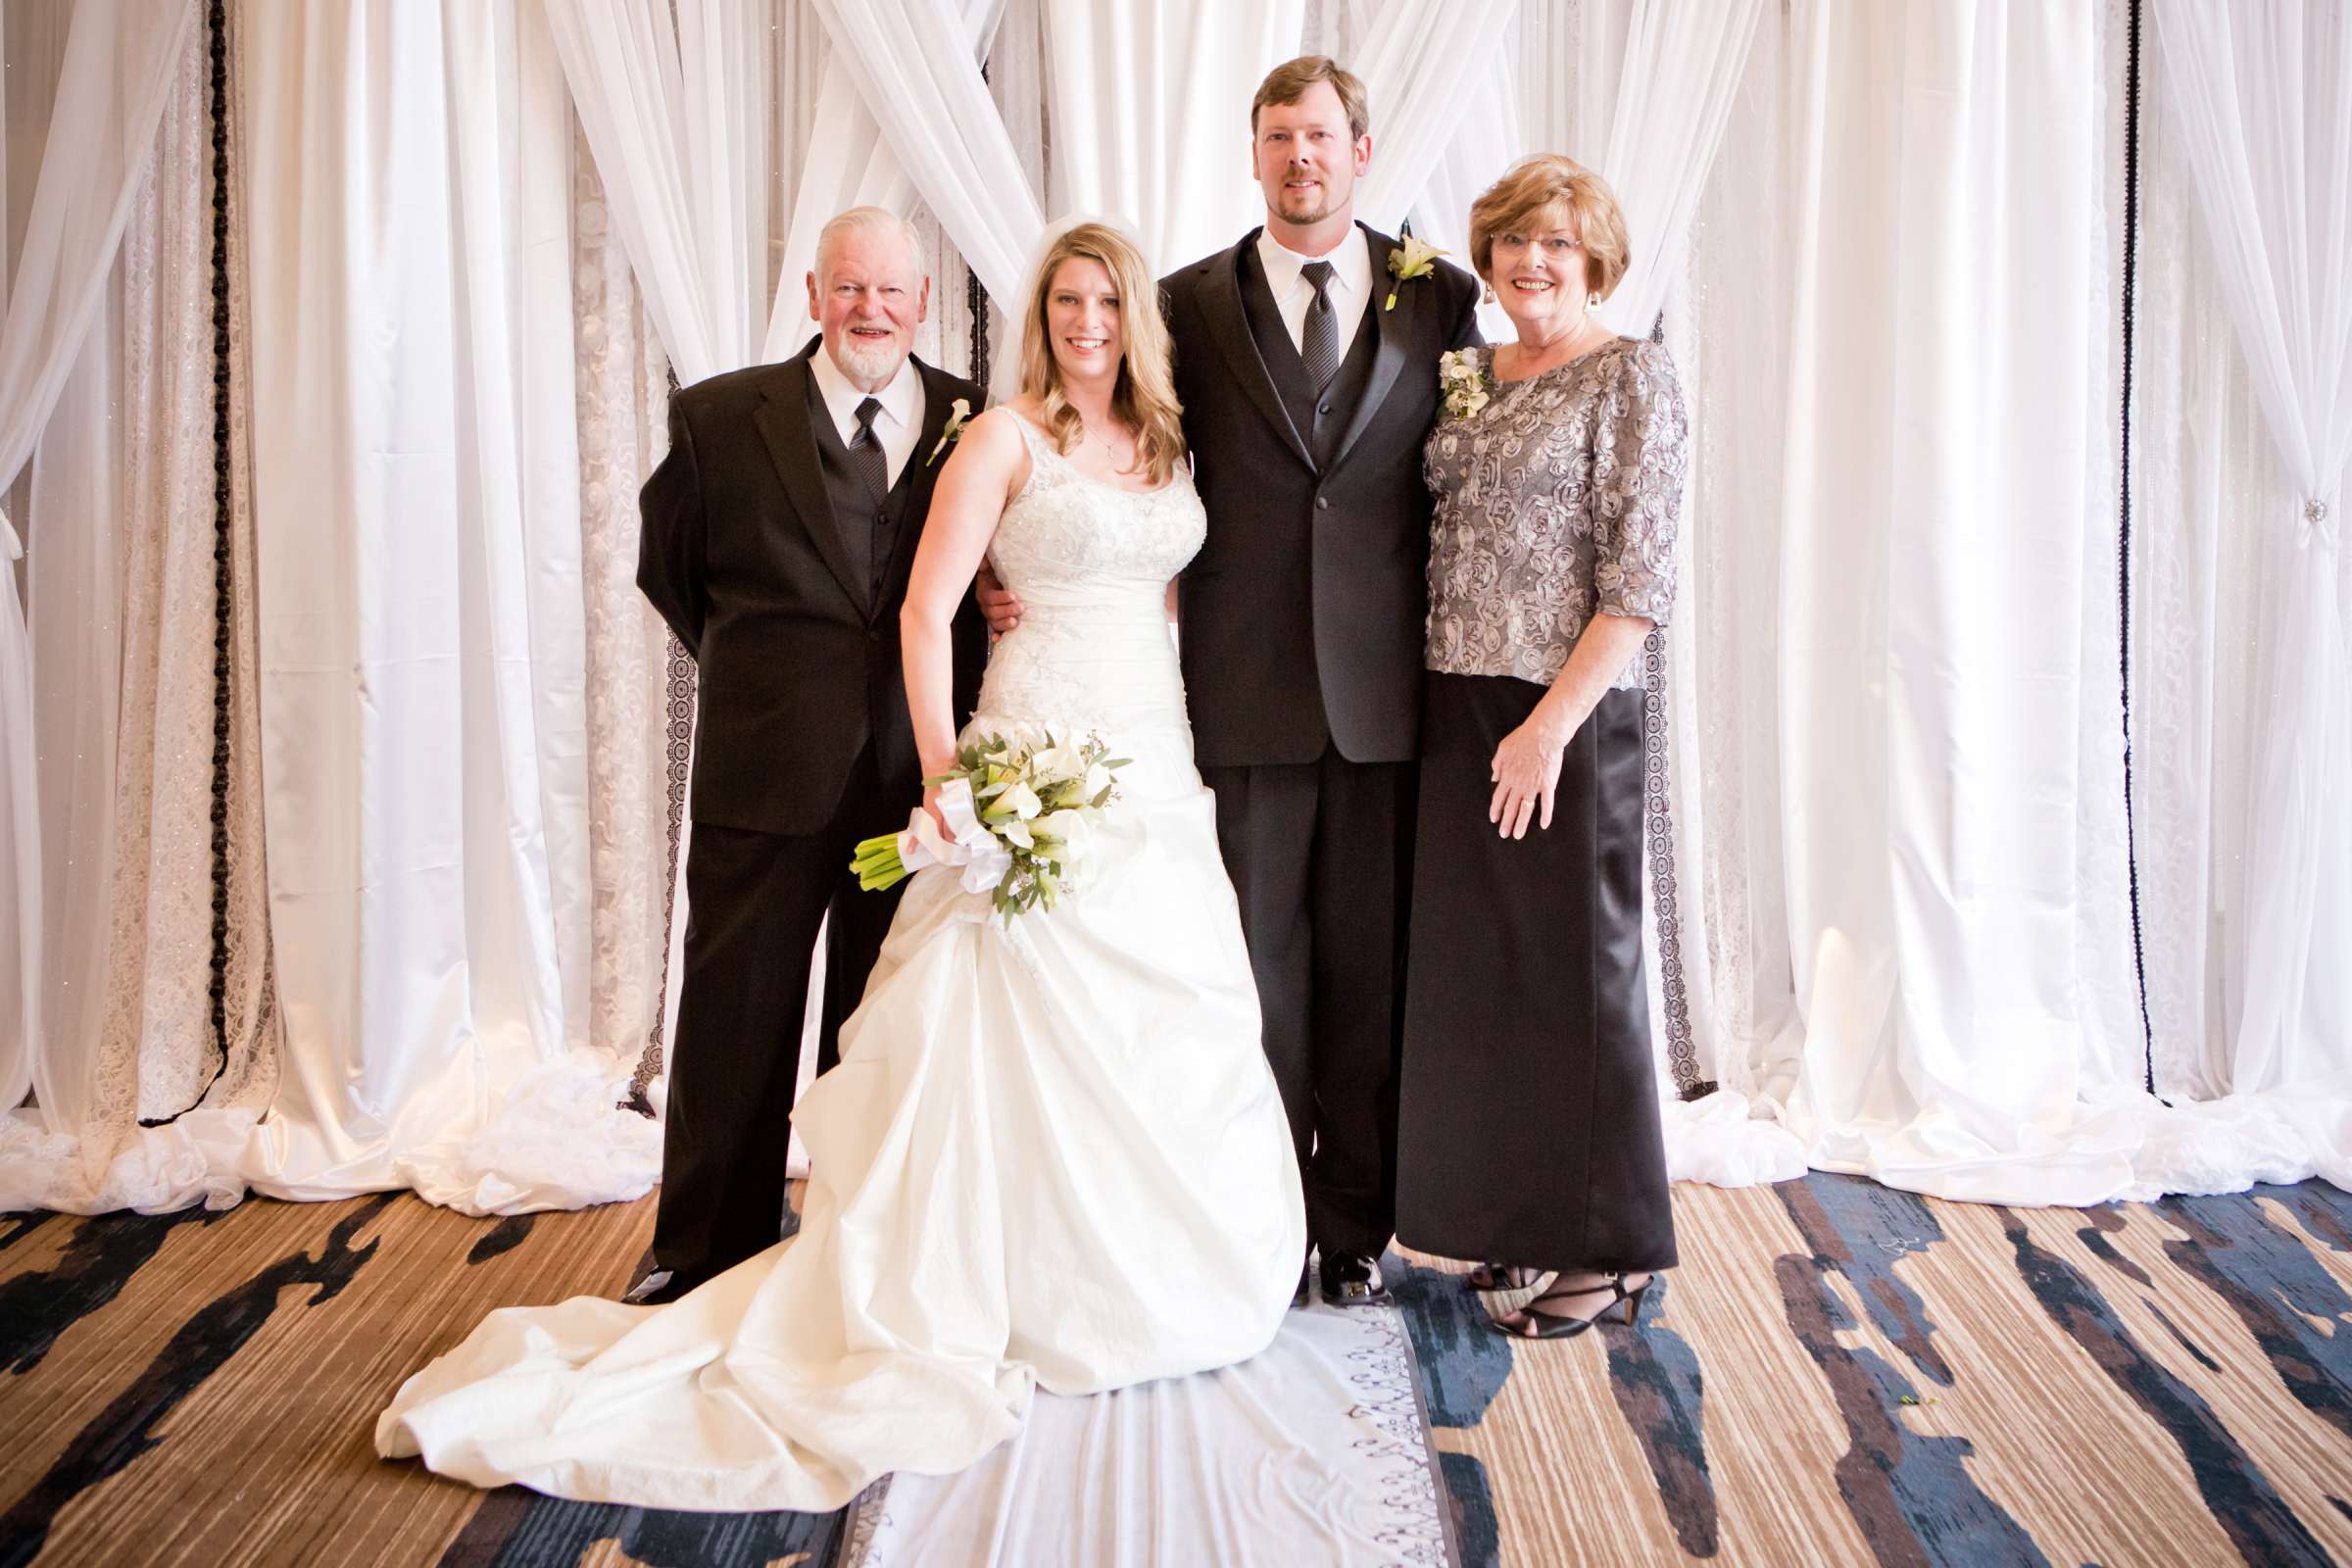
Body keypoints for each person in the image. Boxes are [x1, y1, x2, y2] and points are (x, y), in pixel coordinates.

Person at [375, 220, 1305, 1511]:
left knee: (1098, 1029)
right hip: (918, 748)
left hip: (1143, 762)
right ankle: (740, 1256)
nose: (1086, 320)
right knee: (811, 1016)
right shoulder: (932, 428)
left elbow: (1138, 591)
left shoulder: (1116, 436)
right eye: (1067, 300)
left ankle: (1076, 1270)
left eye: (1106, 301)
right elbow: (801, 589)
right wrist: (935, 764)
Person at [982, 56, 1481, 1308]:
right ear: (1253, 155)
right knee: (1248, 983)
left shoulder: (1441, 299)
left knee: (1366, 985)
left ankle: (1355, 1230)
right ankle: (1257, 1220)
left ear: (1361, 151)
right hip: (1235, 695)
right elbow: (1103, 441)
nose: (1299, 157)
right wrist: (1012, 562)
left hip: (1384, 708)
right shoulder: (1190, 305)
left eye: (1319, 136)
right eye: (1277, 138)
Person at [626, 208, 988, 1305]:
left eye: (889, 290)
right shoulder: (721, 416)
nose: (868, 309)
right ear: (812, 293)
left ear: (924, 302)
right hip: (765, 769)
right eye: (847, 288)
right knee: (737, 1014)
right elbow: (670, 570)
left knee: (880, 1023)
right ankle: (701, 1245)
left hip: (913, 782)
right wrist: (765, 675)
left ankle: (855, 1245)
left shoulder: (976, 421)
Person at [1395, 156, 1684, 1339]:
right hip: (1458, 710)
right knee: (1496, 987)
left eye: (1559, 244)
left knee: (1584, 977)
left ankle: (1613, 1251)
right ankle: (1519, 1220)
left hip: (1565, 717)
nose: (1534, 262)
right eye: (1516, 242)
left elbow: (1641, 583)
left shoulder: (1631, 377)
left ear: (1595, 259)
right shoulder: (1467, 372)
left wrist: (1548, 728)